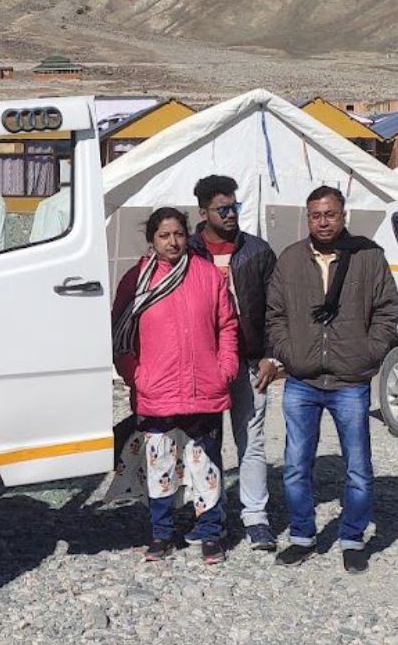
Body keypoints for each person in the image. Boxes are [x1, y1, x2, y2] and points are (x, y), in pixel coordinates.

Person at [267, 186, 398, 574]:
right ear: (307, 217)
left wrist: (368, 353)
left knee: (358, 465)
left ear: (344, 215)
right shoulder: (290, 260)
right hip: (302, 381)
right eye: (315, 215)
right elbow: (274, 315)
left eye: (330, 214)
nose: (323, 222)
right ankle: (303, 537)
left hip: (350, 381)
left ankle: (353, 538)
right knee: (295, 464)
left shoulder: (369, 257)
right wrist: (289, 354)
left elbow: (389, 312)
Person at [112, 207, 239, 564]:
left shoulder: (208, 275)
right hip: (157, 390)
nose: (173, 241)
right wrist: (134, 375)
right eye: (164, 235)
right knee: (160, 466)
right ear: (152, 240)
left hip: (204, 388)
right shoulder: (137, 279)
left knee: (206, 467)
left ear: (188, 235)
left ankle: (211, 534)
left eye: (179, 234)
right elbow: (120, 333)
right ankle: (161, 534)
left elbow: (227, 325)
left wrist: (225, 367)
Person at [188, 175, 278, 551]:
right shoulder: (188, 251)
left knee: (251, 440)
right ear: (203, 211)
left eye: (234, 207)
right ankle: (211, 518)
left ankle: (256, 518)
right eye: (222, 209)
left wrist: (272, 356)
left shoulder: (256, 251)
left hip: (249, 360)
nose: (230, 215)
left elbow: (277, 309)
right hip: (203, 363)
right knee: (206, 443)